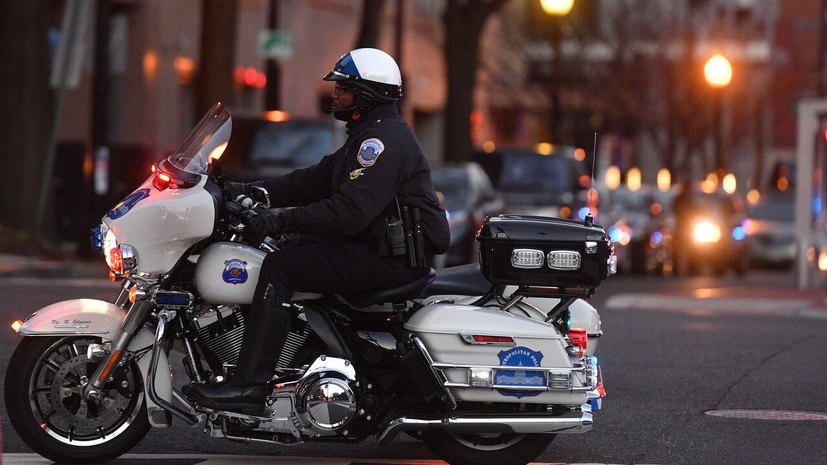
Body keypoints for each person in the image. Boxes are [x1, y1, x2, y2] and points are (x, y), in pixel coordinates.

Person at [184, 48, 450, 415]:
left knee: (281, 267)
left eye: (344, 87)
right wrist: (252, 191)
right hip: (375, 250)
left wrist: (281, 219)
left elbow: (351, 213)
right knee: (285, 250)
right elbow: (315, 179)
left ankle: (250, 384)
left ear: (368, 94)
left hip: (389, 259)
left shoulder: (382, 142)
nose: (335, 94)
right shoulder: (370, 134)